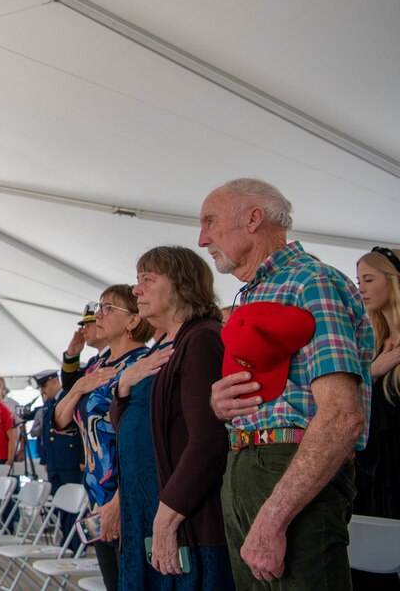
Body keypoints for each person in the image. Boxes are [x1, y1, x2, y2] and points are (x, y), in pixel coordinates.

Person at [201, 178, 372, 590]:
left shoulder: (311, 281)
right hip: (248, 465)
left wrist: (273, 517)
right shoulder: (254, 293)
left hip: (289, 468)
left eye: (210, 221)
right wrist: (219, 405)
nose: (202, 238)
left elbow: (341, 415)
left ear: (253, 219)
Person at [111, 246, 234, 590]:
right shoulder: (161, 346)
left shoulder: (201, 340)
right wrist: (122, 387)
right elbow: (131, 426)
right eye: (137, 281)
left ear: (181, 285)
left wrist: (167, 517)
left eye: (147, 280)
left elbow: (208, 442)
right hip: (146, 511)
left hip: (183, 517)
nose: (136, 290)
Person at [54, 286, 153, 591]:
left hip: (130, 494)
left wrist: (118, 500)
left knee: (135, 581)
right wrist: (77, 389)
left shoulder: (144, 365)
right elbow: (61, 421)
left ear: (132, 321)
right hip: (97, 494)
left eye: (108, 308)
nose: (98, 315)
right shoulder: (97, 367)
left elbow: (145, 443)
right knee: (114, 582)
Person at [352, 246, 400, 590]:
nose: (361, 289)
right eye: (358, 281)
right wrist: (372, 372)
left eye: (369, 279)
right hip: (371, 475)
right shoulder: (373, 343)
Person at [31, 368, 83, 546]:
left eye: (45, 386)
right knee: (61, 505)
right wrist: (45, 459)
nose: (43, 391)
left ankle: (76, 544)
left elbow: (80, 430)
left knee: (74, 505)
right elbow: (46, 435)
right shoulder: (48, 403)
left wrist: (83, 459)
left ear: (55, 381)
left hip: (70, 460)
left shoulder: (69, 397)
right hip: (54, 462)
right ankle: (66, 542)